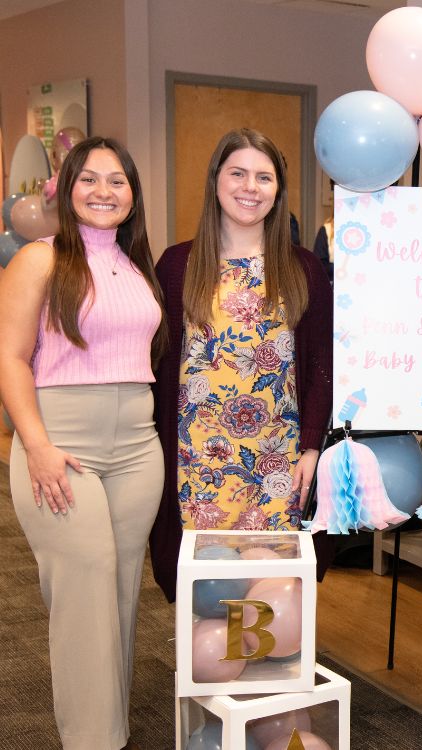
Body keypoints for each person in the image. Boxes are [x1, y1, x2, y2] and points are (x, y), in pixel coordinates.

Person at [0, 137, 167, 750]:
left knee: (119, 590)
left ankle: (107, 725)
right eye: (89, 179)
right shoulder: (39, 260)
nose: (104, 191)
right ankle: (94, 741)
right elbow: (11, 359)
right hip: (60, 441)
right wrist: (35, 445)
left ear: (132, 192)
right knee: (83, 583)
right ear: (67, 188)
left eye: (117, 180)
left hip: (136, 447)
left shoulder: (134, 262)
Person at [149, 128, 332, 602]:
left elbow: (321, 365)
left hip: (278, 463)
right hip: (197, 463)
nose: (250, 187)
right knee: (207, 594)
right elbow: (156, 363)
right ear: (216, 181)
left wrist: (311, 447)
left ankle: (273, 673)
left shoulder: (303, 268)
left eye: (264, 177)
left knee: (274, 592)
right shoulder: (177, 265)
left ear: (278, 190)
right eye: (238, 173)